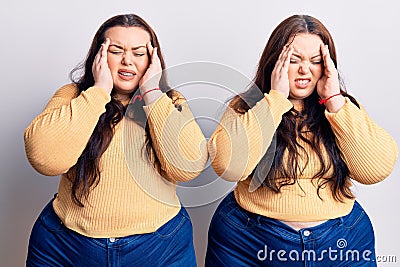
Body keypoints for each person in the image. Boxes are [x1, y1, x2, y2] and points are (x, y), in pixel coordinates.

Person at [205, 14, 398, 266]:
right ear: (275, 62)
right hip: (250, 240)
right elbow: (230, 167)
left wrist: (335, 101)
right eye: (293, 60)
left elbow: (375, 170)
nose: (304, 69)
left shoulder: (342, 108)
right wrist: (275, 100)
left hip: (341, 243)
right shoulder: (246, 107)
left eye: (315, 61)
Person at [24, 14, 207, 266]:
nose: (127, 61)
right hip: (66, 246)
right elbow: (45, 160)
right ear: (99, 56)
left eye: (138, 53)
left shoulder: (169, 101)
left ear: (153, 60)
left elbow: (187, 167)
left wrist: (152, 92)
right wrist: (98, 91)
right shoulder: (73, 96)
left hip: (159, 247)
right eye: (116, 50)